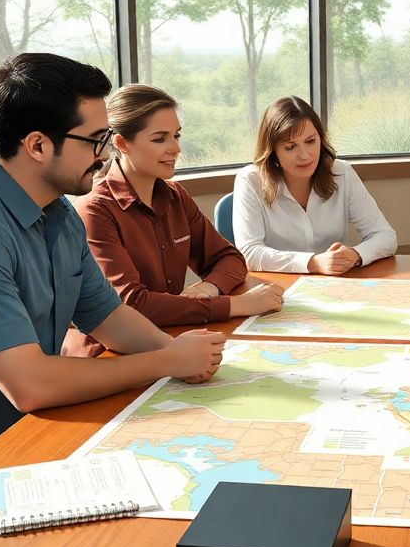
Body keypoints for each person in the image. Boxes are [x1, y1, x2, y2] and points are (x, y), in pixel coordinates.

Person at [0, 53, 225, 520]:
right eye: (96, 141)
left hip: (23, 431)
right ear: (37, 145)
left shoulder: (57, 210)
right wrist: (165, 360)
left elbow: (107, 317)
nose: (106, 154)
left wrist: (184, 359)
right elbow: (31, 384)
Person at [63, 85, 284, 357]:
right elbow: (132, 305)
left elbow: (228, 257)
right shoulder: (95, 210)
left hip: (170, 337)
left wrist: (208, 287)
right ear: (121, 144)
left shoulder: (175, 195)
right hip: (109, 356)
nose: (176, 148)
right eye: (160, 139)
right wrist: (236, 305)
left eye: (176, 136)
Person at [233, 96, 397, 274]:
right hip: (278, 288)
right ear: (273, 150)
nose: (304, 155)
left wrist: (355, 254)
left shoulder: (342, 173)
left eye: (311, 141)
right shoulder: (250, 180)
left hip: (336, 285)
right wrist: (313, 263)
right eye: (290, 147)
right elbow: (249, 253)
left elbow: (385, 236)